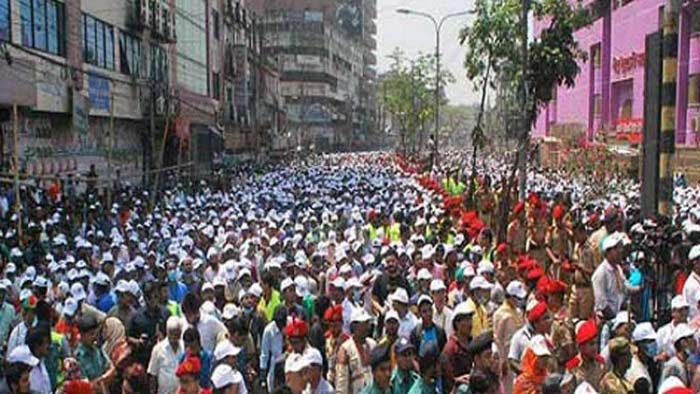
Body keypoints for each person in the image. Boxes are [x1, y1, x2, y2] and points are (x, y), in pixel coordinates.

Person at [493, 280, 526, 393]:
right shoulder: (500, 314)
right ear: (510, 297)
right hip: (506, 357)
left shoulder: (518, 312)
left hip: (519, 355)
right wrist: (502, 361)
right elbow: (498, 339)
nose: (518, 301)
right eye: (516, 298)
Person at [336, 309, 376, 394]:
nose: (367, 326)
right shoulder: (345, 349)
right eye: (363, 323)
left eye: (367, 323)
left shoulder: (373, 344)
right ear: (354, 326)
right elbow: (341, 381)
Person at [592, 232, 627, 320]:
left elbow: (623, 288)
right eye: (616, 249)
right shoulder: (601, 273)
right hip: (607, 319)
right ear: (608, 252)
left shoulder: (618, 269)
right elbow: (602, 303)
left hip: (618, 316)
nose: (620, 251)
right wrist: (615, 321)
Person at [148, 316, 185, 394]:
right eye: (171, 333)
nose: (174, 337)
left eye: (176, 333)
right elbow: (153, 374)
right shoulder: (158, 349)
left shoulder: (184, 347)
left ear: (180, 332)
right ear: (167, 332)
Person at [75, 315, 113, 386]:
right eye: (91, 334)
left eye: (95, 333)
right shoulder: (78, 357)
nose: (94, 337)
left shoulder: (98, 348)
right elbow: (85, 385)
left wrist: (102, 379)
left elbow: (111, 368)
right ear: (82, 335)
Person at [568, 319, 605, 391]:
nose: (595, 348)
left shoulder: (600, 363)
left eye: (596, 343)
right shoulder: (572, 367)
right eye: (591, 344)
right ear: (581, 347)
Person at [261, 305, 287, 391]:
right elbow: (264, 354)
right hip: (275, 365)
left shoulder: (291, 325)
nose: (280, 324)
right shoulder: (268, 330)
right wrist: (263, 373)